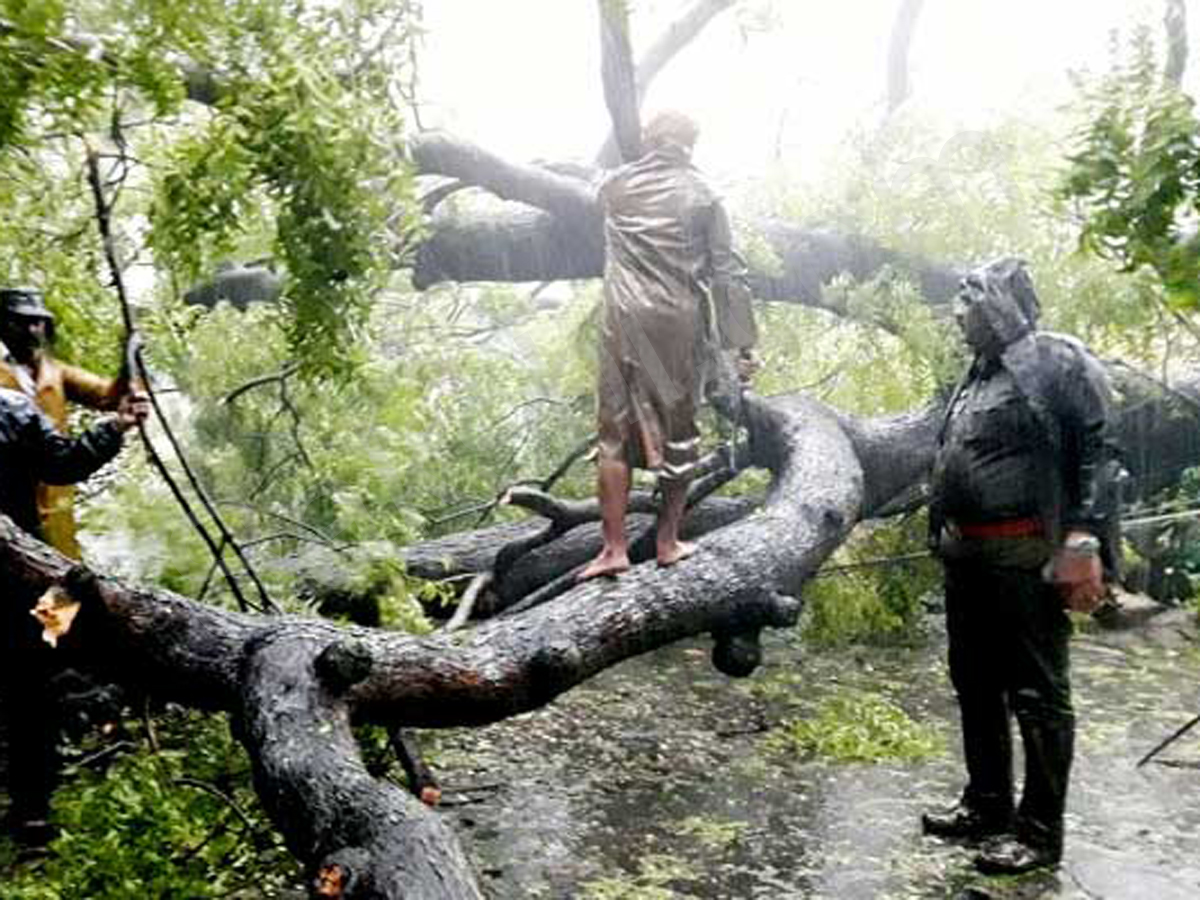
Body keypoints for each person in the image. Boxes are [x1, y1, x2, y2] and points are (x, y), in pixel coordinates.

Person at [922, 258, 1121, 874]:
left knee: (1037, 694)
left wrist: (1084, 540)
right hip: (969, 556)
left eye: (971, 300)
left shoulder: (1056, 360)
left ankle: (1038, 833)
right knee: (975, 684)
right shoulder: (977, 375)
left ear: (1003, 305)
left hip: (1026, 554)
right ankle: (986, 803)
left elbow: (1100, 451)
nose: (959, 314)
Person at [578, 110, 757, 581]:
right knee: (681, 430)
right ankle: (667, 541)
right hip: (678, 322)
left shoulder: (615, 188)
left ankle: (613, 548)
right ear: (691, 145)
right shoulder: (705, 195)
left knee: (612, 432)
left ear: (646, 139)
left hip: (622, 319)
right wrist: (741, 343)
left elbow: (592, 181)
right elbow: (728, 272)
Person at [0, 385, 148, 850]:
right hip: (21, 573)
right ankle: (31, 815)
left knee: (34, 692)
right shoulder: (12, 404)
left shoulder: (12, 405)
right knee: (31, 694)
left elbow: (62, 462)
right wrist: (118, 425)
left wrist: (117, 424)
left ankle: (32, 815)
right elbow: (64, 461)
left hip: (24, 573)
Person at [0, 286, 126, 559]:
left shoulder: (52, 370)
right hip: (14, 501)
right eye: (25, 322)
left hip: (56, 495)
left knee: (61, 579)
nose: (34, 330)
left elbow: (108, 395)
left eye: (39, 322)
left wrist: (129, 364)